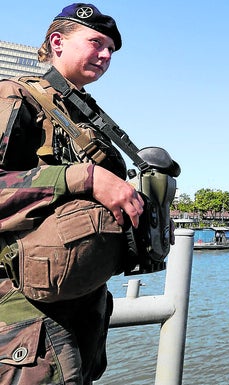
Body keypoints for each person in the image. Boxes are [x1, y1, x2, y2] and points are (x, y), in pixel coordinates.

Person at [0, 3, 145, 384]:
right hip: (24, 312)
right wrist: (83, 177)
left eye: (111, 49)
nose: (106, 55)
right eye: (96, 42)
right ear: (57, 42)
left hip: (79, 303)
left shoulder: (81, 113)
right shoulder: (16, 97)